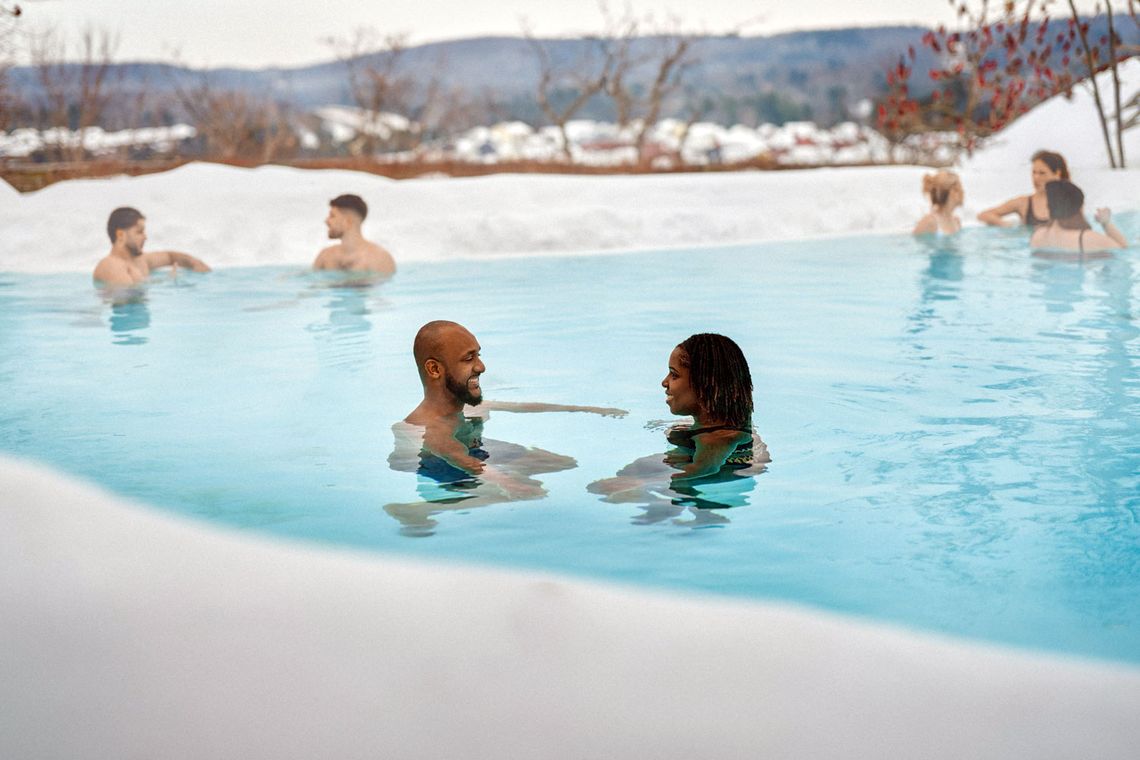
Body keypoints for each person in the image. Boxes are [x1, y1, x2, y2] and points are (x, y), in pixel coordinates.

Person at [386, 320, 625, 534]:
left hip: (475, 451)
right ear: (435, 369)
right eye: (469, 358)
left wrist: (587, 410)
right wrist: (509, 483)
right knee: (532, 490)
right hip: (443, 470)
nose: (481, 367)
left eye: (478, 355)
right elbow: (460, 459)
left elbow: (525, 407)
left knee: (562, 463)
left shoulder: (467, 406)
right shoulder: (429, 427)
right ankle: (421, 509)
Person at [588, 334, 770, 519]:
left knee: (654, 478)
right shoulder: (724, 421)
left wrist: (640, 483)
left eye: (674, 375)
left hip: (722, 478)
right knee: (643, 464)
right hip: (717, 463)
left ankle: (671, 516)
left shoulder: (717, 439)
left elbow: (704, 470)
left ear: (705, 385)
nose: (664, 382)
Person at [92, 207, 211, 286]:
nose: (145, 237)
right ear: (120, 234)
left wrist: (194, 263)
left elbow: (170, 256)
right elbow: (127, 297)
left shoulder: (141, 260)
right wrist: (165, 281)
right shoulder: (111, 265)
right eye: (139, 232)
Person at [1029, 180, 1127, 254]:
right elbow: (1123, 249)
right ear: (1079, 208)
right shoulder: (1087, 238)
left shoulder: (1037, 235)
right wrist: (1105, 223)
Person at [977, 149, 1069, 228]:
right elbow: (984, 215)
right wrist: (1005, 224)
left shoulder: (1070, 203)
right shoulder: (1023, 203)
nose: (1036, 178)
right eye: (1034, 172)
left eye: (1042, 173)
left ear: (1057, 174)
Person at [312, 194, 396, 275]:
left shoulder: (380, 259)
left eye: (332, 216)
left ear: (348, 221)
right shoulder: (325, 256)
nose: (327, 221)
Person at [913, 170, 964, 236]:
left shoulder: (957, 222)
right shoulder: (929, 222)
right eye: (960, 188)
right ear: (952, 192)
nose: (963, 192)